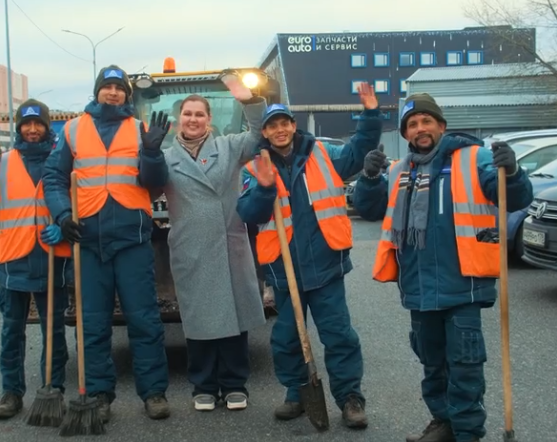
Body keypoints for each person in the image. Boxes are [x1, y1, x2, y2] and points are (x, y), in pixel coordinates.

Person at [353, 93, 533, 442]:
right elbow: (369, 208)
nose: (420, 129)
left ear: (441, 126)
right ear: (406, 133)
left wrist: (512, 172)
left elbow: (515, 197)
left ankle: (467, 433)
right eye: (412, 124)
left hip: (463, 285)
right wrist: (369, 178)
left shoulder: (474, 158)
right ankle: (443, 423)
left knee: (464, 367)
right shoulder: (399, 170)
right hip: (418, 287)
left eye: (426, 121)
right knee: (432, 363)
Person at [236, 82, 381, 429]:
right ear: (265, 132)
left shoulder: (323, 154)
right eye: (272, 126)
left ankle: (349, 398)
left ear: (292, 125)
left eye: (284, 123)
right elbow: (248, 213)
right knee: (286, 339)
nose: (280, 130)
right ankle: (297, 393)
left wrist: (371, 114)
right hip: (283, 271)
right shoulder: (254, 168)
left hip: (326, 264)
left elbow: (360, 147)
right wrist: (266, 187)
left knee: (339, 335)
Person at [42, 64, 171, 422]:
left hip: (132, 238)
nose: (113, 92)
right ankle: (98, 393)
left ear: (127, 95)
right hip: (88, 239)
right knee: (93, 323)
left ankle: (154, 392)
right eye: (107, 86)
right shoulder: (72, 129)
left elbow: (155, 184)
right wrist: (62, 214)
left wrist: (152, 153)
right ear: (97, 91)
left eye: (119, 88)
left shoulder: (141, 129)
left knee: (144, 320)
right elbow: (53, 177)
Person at [158, 77, 267, 412]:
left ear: (210, 120)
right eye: (187, 114)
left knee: (235, 315)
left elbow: (259, 135)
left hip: (228, 243)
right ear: (178, 121)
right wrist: (147, 152)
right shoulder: (164, 158)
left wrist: (250, 102)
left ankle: (235, 384)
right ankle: (203, 385)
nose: (193, 119)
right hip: (191, 247)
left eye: (199, 114)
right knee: (198, 318)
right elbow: (146, 180)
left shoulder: (230, 147)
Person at [0, 99, 71, 420]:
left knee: (53, 333)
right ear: (19, 128)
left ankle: (53, 391)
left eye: (39, 123)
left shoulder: (62, 160)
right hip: (13, 260)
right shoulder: (4, 162)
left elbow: (78, 203)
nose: (33, 129)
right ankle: (11, 393)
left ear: (47, 125)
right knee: (12, 331)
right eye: (27, 124)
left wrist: (64, 229)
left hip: (52, 256)